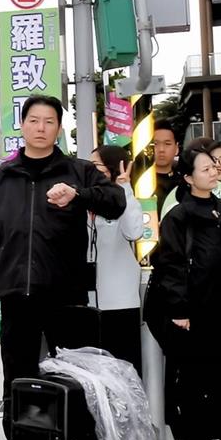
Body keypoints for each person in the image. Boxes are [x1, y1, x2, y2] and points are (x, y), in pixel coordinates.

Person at [0, 94, 126, 440]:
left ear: (59, 129)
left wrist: (78, 195)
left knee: (73, 372)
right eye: (34, 120)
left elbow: (116, 202)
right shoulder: (1, 177)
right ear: (22, 125)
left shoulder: (77, 171)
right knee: (16, 375)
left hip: (64, 293)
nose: (41, 128)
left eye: (49, 122)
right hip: (16, 294)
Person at [144, 142, 221, 440]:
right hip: (189, 312)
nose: (213, 172)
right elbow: (172, 265)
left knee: (217, 374)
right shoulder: (179, 216)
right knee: (193, 377)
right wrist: (179, 311)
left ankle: (216, 438)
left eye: (215, 167)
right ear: (189, 178)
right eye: (205, 168)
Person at [89, 145, 144, 376]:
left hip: (120, 303)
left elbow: (134, 232)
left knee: (124, 372)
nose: (90, 170)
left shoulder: (123, 199)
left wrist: (125, 190)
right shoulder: (82, 198)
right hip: (88, 304)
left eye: (96, 166)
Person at [152, 121, 182, 215]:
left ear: (176, 148)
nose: (161, 149)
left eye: (167, 144)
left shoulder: (184, 183)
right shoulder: (140, 182)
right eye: (155, 144)